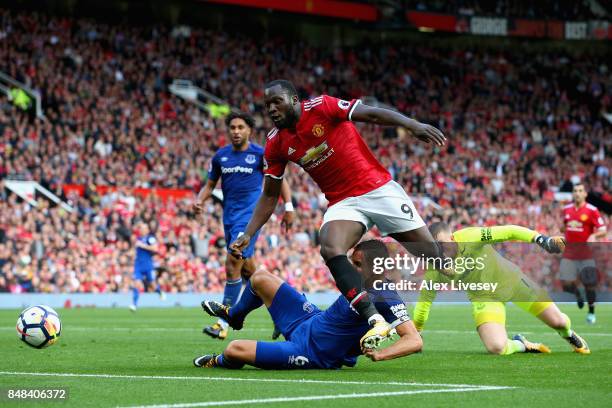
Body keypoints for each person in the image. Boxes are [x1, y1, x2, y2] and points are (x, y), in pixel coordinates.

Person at [230, 79, 447, 350]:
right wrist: (248, 234)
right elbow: (270, 194)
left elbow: (372, 113)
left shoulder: (322, 107)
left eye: (277, 102)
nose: (271, 109)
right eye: (267, 105)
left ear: (294, 100)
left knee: (437, 259)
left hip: (378, 189)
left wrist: (413, 125)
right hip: (344, 202)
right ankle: (374, 319)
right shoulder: (275, 143)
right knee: (331, 247)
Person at [194, 240, 422, 369]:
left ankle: (221, 362)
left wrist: (382, 355)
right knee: (260, 278)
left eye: (357, 264)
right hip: (309, 319)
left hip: (312, 352)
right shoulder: (357, 281)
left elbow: (414, 340)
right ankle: (235, 316)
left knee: (234, 349)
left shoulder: (387, 296)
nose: (350, 268)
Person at [413, 223, 590, 355]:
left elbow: (508, 231)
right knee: (497, 347)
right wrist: (417, 332)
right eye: (435, 248)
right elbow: (424, 301)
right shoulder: (434, 267)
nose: (440, 250)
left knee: (559, 322)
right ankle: (522, 344)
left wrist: (540, 239)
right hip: (484, 299)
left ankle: (568, 334)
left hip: (513, 282)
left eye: (442, 244)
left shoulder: (471, 237)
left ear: (452, 238)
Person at [193, 112, 294, 339]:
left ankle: (223, 323)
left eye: (241, 127)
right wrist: (200, 200)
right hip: (229, 218)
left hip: (249, 219)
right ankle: (283, 315)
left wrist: (288, 207)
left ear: (249, 130)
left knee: (232, 263)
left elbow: (280, 180)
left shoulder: (259, 154)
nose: (236, 131)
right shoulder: (221, 156)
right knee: (252, 273)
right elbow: (210, 185)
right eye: (232, 128)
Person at [560, 183, 606, 324]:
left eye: (580, 191)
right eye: (575, 191)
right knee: (566, 285)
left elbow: (603, 229)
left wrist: (594, 236)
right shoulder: (566, 209)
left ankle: (591, 313)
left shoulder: (592, 210)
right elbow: (563, 227)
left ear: (585, 194)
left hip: (586, 254)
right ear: (573, 194)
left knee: (589, 285)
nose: (577, 193)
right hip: (569, 253)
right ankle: (577, 294)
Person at [130, 223, 165, 311]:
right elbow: (136, 251)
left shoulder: (150, 238)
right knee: (137, 283)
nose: (141, 229)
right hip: (138, 265)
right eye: (140, 228)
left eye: (143, 228)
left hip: (148, 265)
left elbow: (155, 249)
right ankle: (134, 304)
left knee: (152, 284)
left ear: (147, 230)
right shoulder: (138, 239)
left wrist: (143, 245)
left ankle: (159, 292)